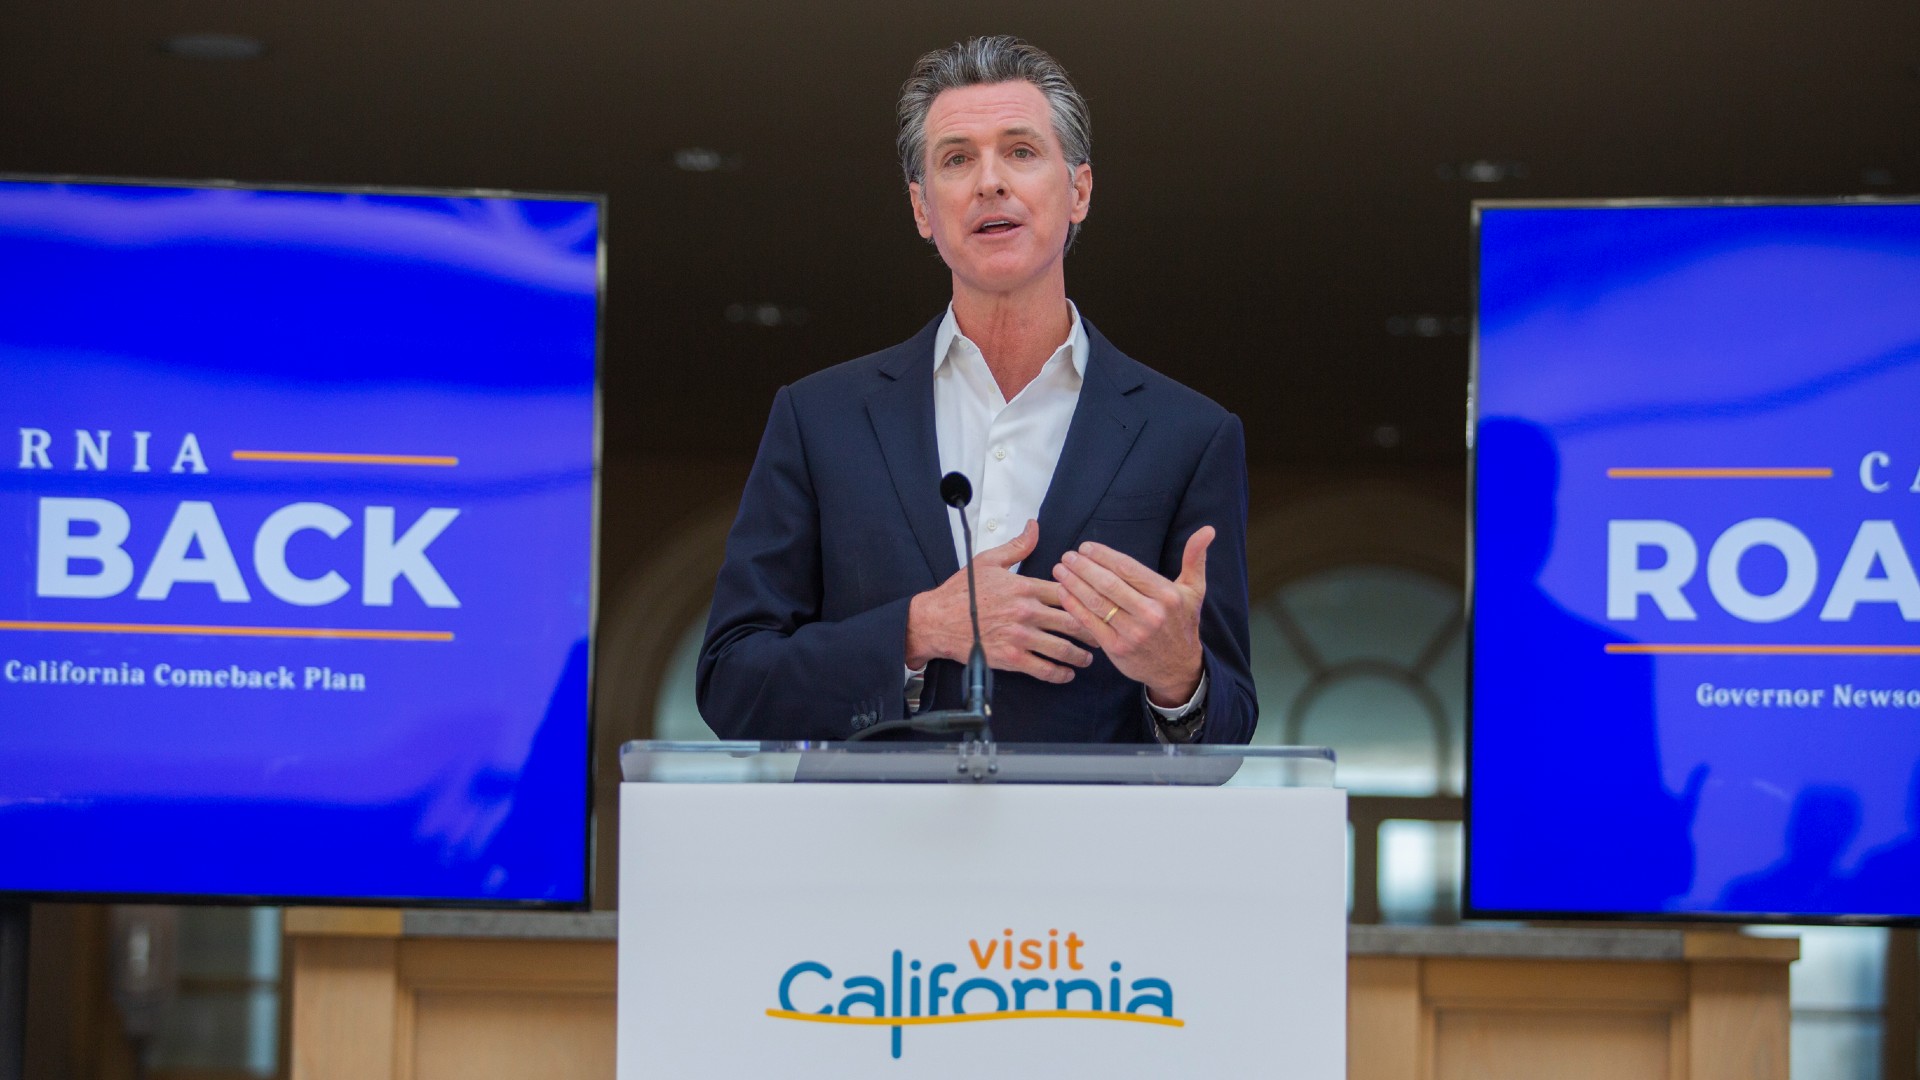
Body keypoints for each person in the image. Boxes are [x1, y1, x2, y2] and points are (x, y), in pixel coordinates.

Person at [697, 36, 1255, 744]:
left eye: (1021, 151)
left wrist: (1180, 677)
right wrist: (920, 629)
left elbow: (1228, 733)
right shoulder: (820, 418)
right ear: (923, 209)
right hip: (866, 850)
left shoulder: (1189, 435)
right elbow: (730, 683)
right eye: (957, 159)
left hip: (1087, 853)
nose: (990, 181)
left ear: (1078, 190)